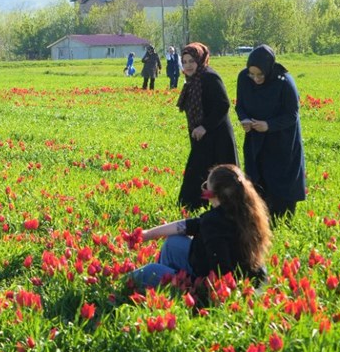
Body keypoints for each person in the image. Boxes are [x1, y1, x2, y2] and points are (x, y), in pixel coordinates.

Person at [126, 164, 271, 290]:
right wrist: (147, 234)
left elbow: (221, 272)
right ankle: (166, 289)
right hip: (237, 276)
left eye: (205, 187)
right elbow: (187, 226)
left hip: (210, 286)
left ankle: (169, 290)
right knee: (173, 243)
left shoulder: (213, 223)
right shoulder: (244, 213)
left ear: (213, 195)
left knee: (149, 271)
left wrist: (187, 282)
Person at [235, 44, 307, 219]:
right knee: (257, 180)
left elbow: (292, 115)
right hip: (255, 139)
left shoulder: (284, 81)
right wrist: (244, 119)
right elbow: (240, 106)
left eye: (260, 74)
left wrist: (269, 125)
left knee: (280, 183)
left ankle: (282, 218)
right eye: (252, 74)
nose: (256, 78)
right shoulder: (244, 78)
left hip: (281, 140)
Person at [176, 43, 238, 211]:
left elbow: (223, 105)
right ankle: (193, 208)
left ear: (200, 60)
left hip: (218, 137)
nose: (188, 65)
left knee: (221, 176)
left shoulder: (210, 77)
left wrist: (204, 126)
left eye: (191, 61)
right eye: (185, 61)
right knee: (197, 174)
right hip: (202, 137)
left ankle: (225, 209)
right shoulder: (192, 80)